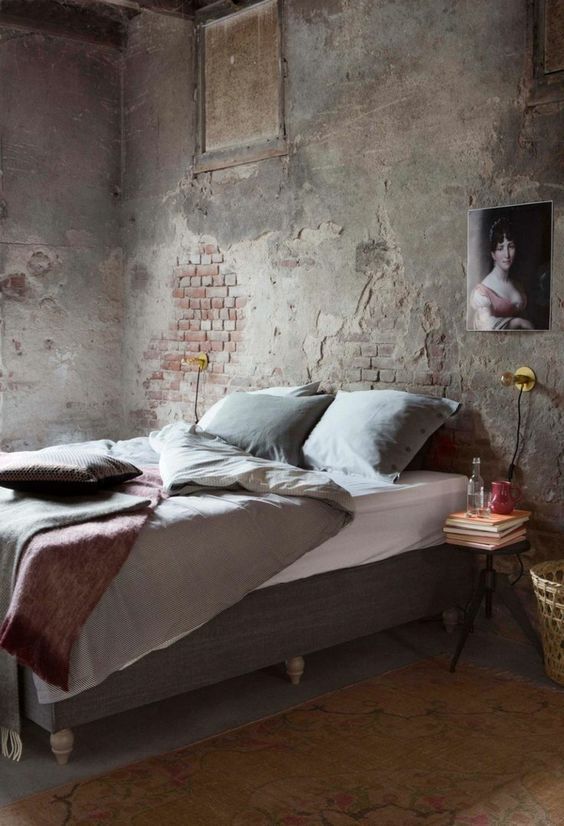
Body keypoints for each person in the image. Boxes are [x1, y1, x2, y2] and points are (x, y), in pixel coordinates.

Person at [470, 217, 534, 330]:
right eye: (500, 248)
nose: (507, 255)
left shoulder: (518, 285)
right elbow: (486, 325)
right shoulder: (482, 292)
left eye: (511, 246)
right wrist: (517, 322)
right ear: (493, 254)